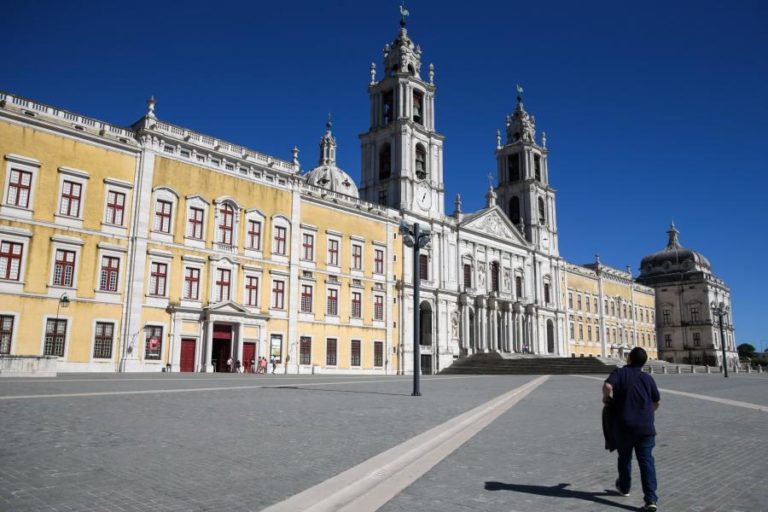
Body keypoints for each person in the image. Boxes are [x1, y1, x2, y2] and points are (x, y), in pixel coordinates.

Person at [603, 347, 661, 512]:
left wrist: (605, 398)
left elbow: (607, 386)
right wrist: (648, 412)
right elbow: (657, 402)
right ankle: (651, 500)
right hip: (646, 428)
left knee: (624, 458)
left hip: (624, 425)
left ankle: (625, 487)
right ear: (644, 362)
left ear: (629, 358)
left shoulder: (620, 373)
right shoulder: (648, 378)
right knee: (646, 461)